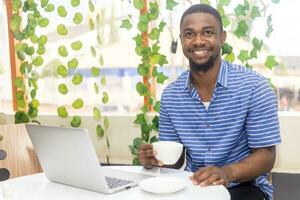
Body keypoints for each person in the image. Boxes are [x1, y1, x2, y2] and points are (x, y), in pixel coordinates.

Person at [138, 4, 281, 200]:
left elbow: (266, 156)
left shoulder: (254, 87)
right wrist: (155, 160)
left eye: (207, 32)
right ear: (181, 41)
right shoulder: (171, 95)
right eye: (189, 34)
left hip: (243, 186)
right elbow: (175, 161)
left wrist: (226, 173)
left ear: (222, 37)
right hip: (191, 186)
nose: (198, 41)